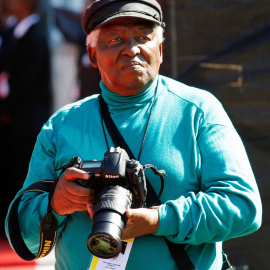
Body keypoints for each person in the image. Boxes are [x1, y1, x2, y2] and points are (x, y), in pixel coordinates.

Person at [5, 0, 262, 269]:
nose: (132, 49)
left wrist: (159, 220)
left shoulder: (198, 111)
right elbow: (24, 239)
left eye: (143, 37)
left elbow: (243, 207)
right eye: (115, 39)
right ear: (92, 54)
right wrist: (55, 204)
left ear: (160, 50)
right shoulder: (62, 126)